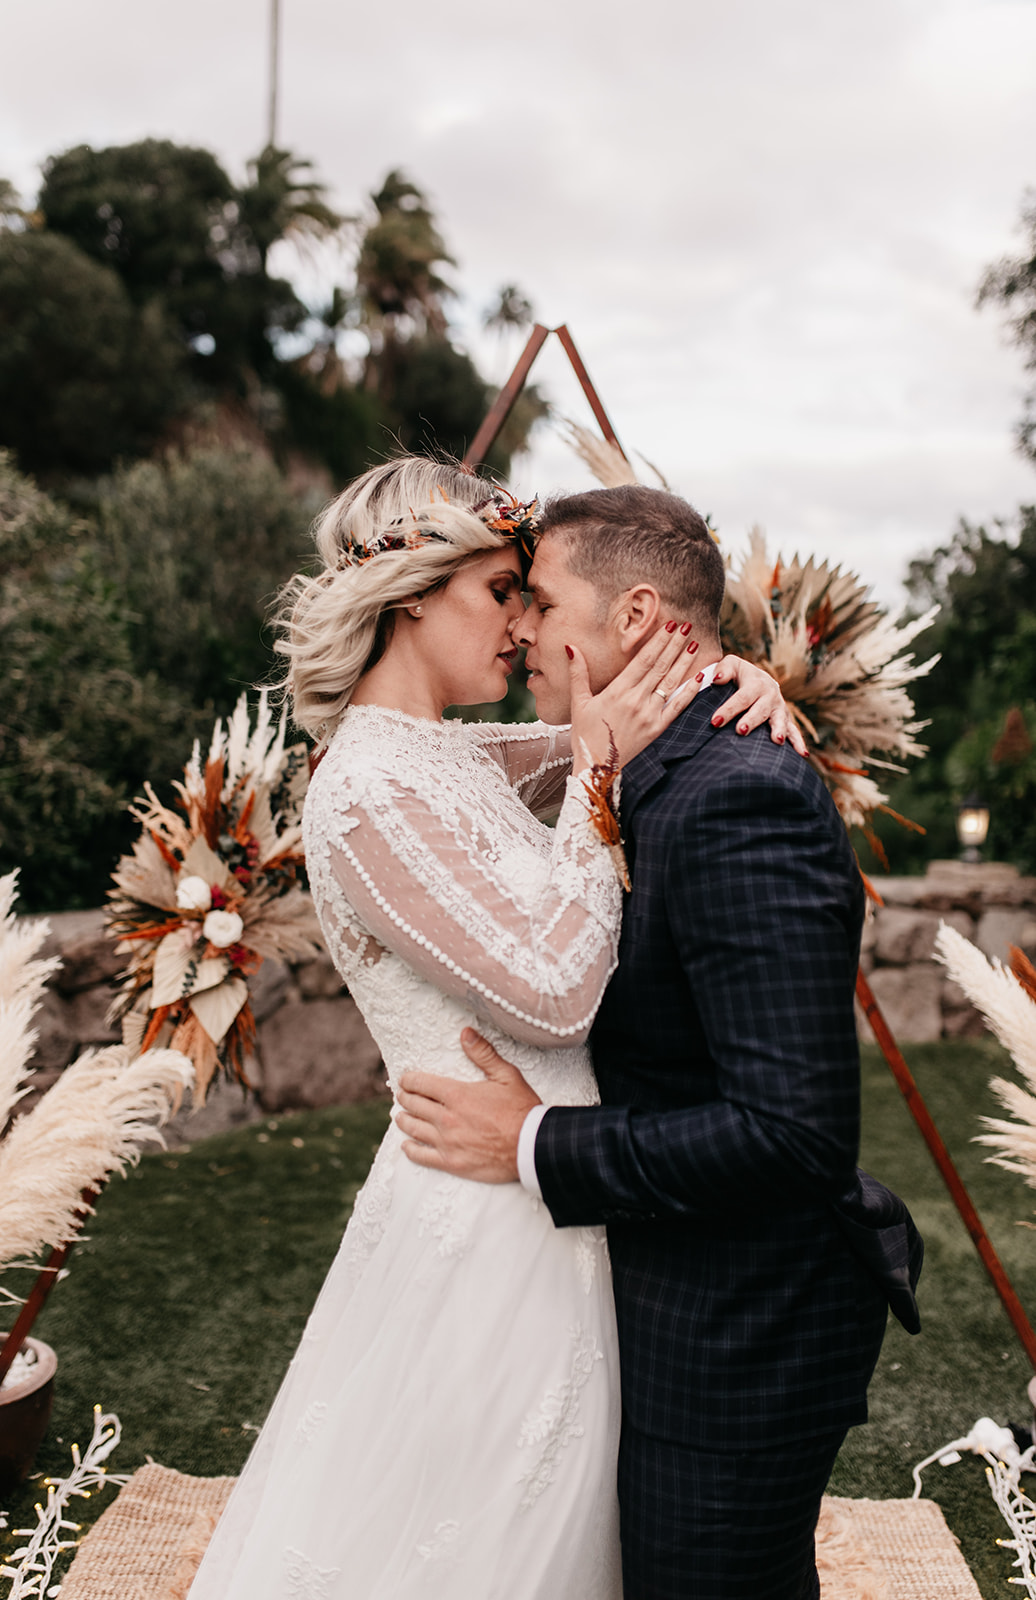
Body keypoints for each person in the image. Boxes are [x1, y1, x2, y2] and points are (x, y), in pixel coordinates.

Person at [186, 459, 798, 1600]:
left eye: (527, 596)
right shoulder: (364, 789)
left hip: (553, 1190)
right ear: (414, 593)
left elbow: (619, 719)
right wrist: (599, 777)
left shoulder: (447, 757)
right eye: (501, 590)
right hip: (479, 1218)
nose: (522, 627)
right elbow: (555, 992)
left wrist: (731, 673)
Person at [394, 484, 924, 1600]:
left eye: (540, 602)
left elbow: (793, 1134)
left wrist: (532, 1141)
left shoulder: (741, 795)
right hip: (650, 1293)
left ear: (636, 616)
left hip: (736, 1335)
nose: (521, 629)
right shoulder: (636, 757)